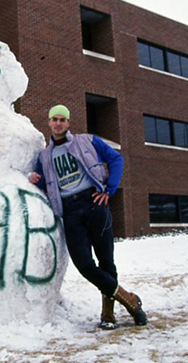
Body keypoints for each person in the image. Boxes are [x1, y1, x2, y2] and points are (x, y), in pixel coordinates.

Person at [29, 105, 147, 329]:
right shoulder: (44, 156)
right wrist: (36, 179)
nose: (58, 123)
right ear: (49, 122)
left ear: (68, 122)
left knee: (106, 261)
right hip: (70, 212)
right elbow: (45, 184)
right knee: (84, 264)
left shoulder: (88, 141)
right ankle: (129, 298)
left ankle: (108, 315)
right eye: (54, 119)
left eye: (62, 119)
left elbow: (115, 158)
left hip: (94, 203)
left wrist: (109, 190)